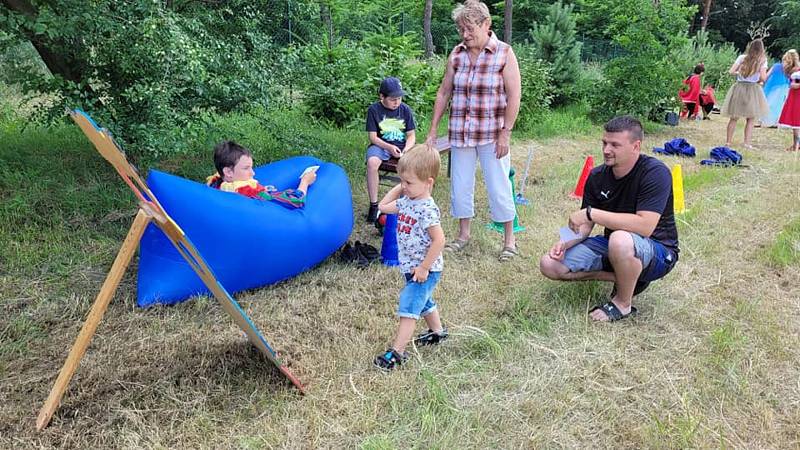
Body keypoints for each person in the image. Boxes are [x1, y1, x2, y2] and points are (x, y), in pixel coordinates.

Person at [539, 116, 679, 322]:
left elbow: (645, 226)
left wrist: (592, 213)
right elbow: (584, 226)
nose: (606, 150)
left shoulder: (655, 173)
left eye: (615, 145)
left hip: (658, 251)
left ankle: (622, 304)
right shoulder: (597, 176)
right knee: (549, 264)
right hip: (616, 246)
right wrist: (564, 241)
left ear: (635, 146)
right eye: (604, 143)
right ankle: (629, 278)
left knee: (621, 239)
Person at [425, 0, 522, 262]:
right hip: (461, 132)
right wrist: (433, 129)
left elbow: (514, 96)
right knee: (460, 185)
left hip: (492, 134)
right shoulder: (456, 54)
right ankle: (463, 235)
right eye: (461, 30)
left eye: (470, 29)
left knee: (499, 185)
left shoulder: (504, 52)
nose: (465, 35)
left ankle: (509, 240)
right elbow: (445, 91)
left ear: (486, 24)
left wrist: (506, 132)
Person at [373, 145, 447, 371]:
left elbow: (439, 240)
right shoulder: (407, 201)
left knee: (409, 306)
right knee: (423, 302)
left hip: (425, 270)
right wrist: (400, 185)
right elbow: (383, 207)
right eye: (402, 181)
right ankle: (438, 333)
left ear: (429, 183)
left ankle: (397, 352)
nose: (404, 187)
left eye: (409, 183)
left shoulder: (426, 209)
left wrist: (424, 268)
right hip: (411, 267)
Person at [365, 77, 417, 223]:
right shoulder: (374, 110)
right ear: (382, 96)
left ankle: (405, 205)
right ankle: (374, 205)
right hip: (382, 145)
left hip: (402, 147)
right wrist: (388, 147)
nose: (397, 102)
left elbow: (411, 135)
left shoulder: (405, 109)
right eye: (393, 99)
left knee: (412, 165)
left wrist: (406, 150)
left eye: (399, 98)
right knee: (372, 162)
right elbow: (373, 138)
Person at [207, 140, 316, 208]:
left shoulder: (215, 184)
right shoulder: (252, 194)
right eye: (246, 168)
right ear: (228, 172)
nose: (252, 173)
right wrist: (305, 181)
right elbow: (297, 200)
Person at [721, 39, 769, 149]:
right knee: (751, 118)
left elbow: (731, 71)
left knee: (734, 117)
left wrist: (740, 72)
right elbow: (763, 77)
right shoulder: (762, 60)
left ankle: (728, 142)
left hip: (739, 87)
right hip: (753, 89)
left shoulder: (742, 58)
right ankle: (746, 143)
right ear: (762, 49)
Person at [777, 49, 800, 152]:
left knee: (796, 122)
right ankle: (796, 144)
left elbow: (795, 84)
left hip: (797, 97)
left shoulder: (796, 70)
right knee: (796, 122)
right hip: (793, 96)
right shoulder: (794, 70)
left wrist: (794, 85)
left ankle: (796, 145)